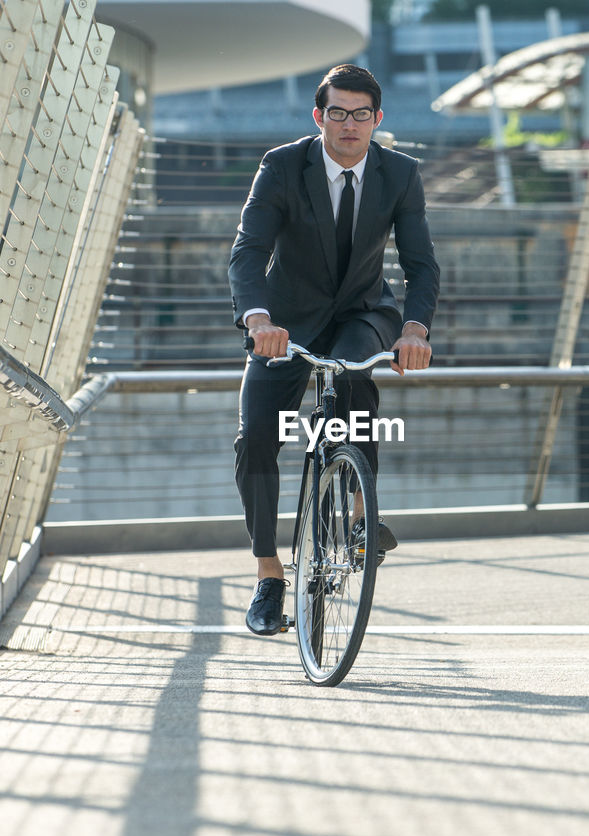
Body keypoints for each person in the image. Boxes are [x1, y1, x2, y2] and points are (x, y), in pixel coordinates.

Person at [228, 64, 440, 636]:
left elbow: (420, 265)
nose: (350, 124)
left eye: (362, 114)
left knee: (352, 383)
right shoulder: (281, 166)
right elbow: (248, 252)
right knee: (255, 441)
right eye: (338, 113)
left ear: (377, 120)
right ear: (319, 117)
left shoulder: (399, 174)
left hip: (361, 312)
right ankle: (269, 573)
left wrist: (415, 329)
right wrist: (258, 318)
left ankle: (360, 514)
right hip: (284, 321)